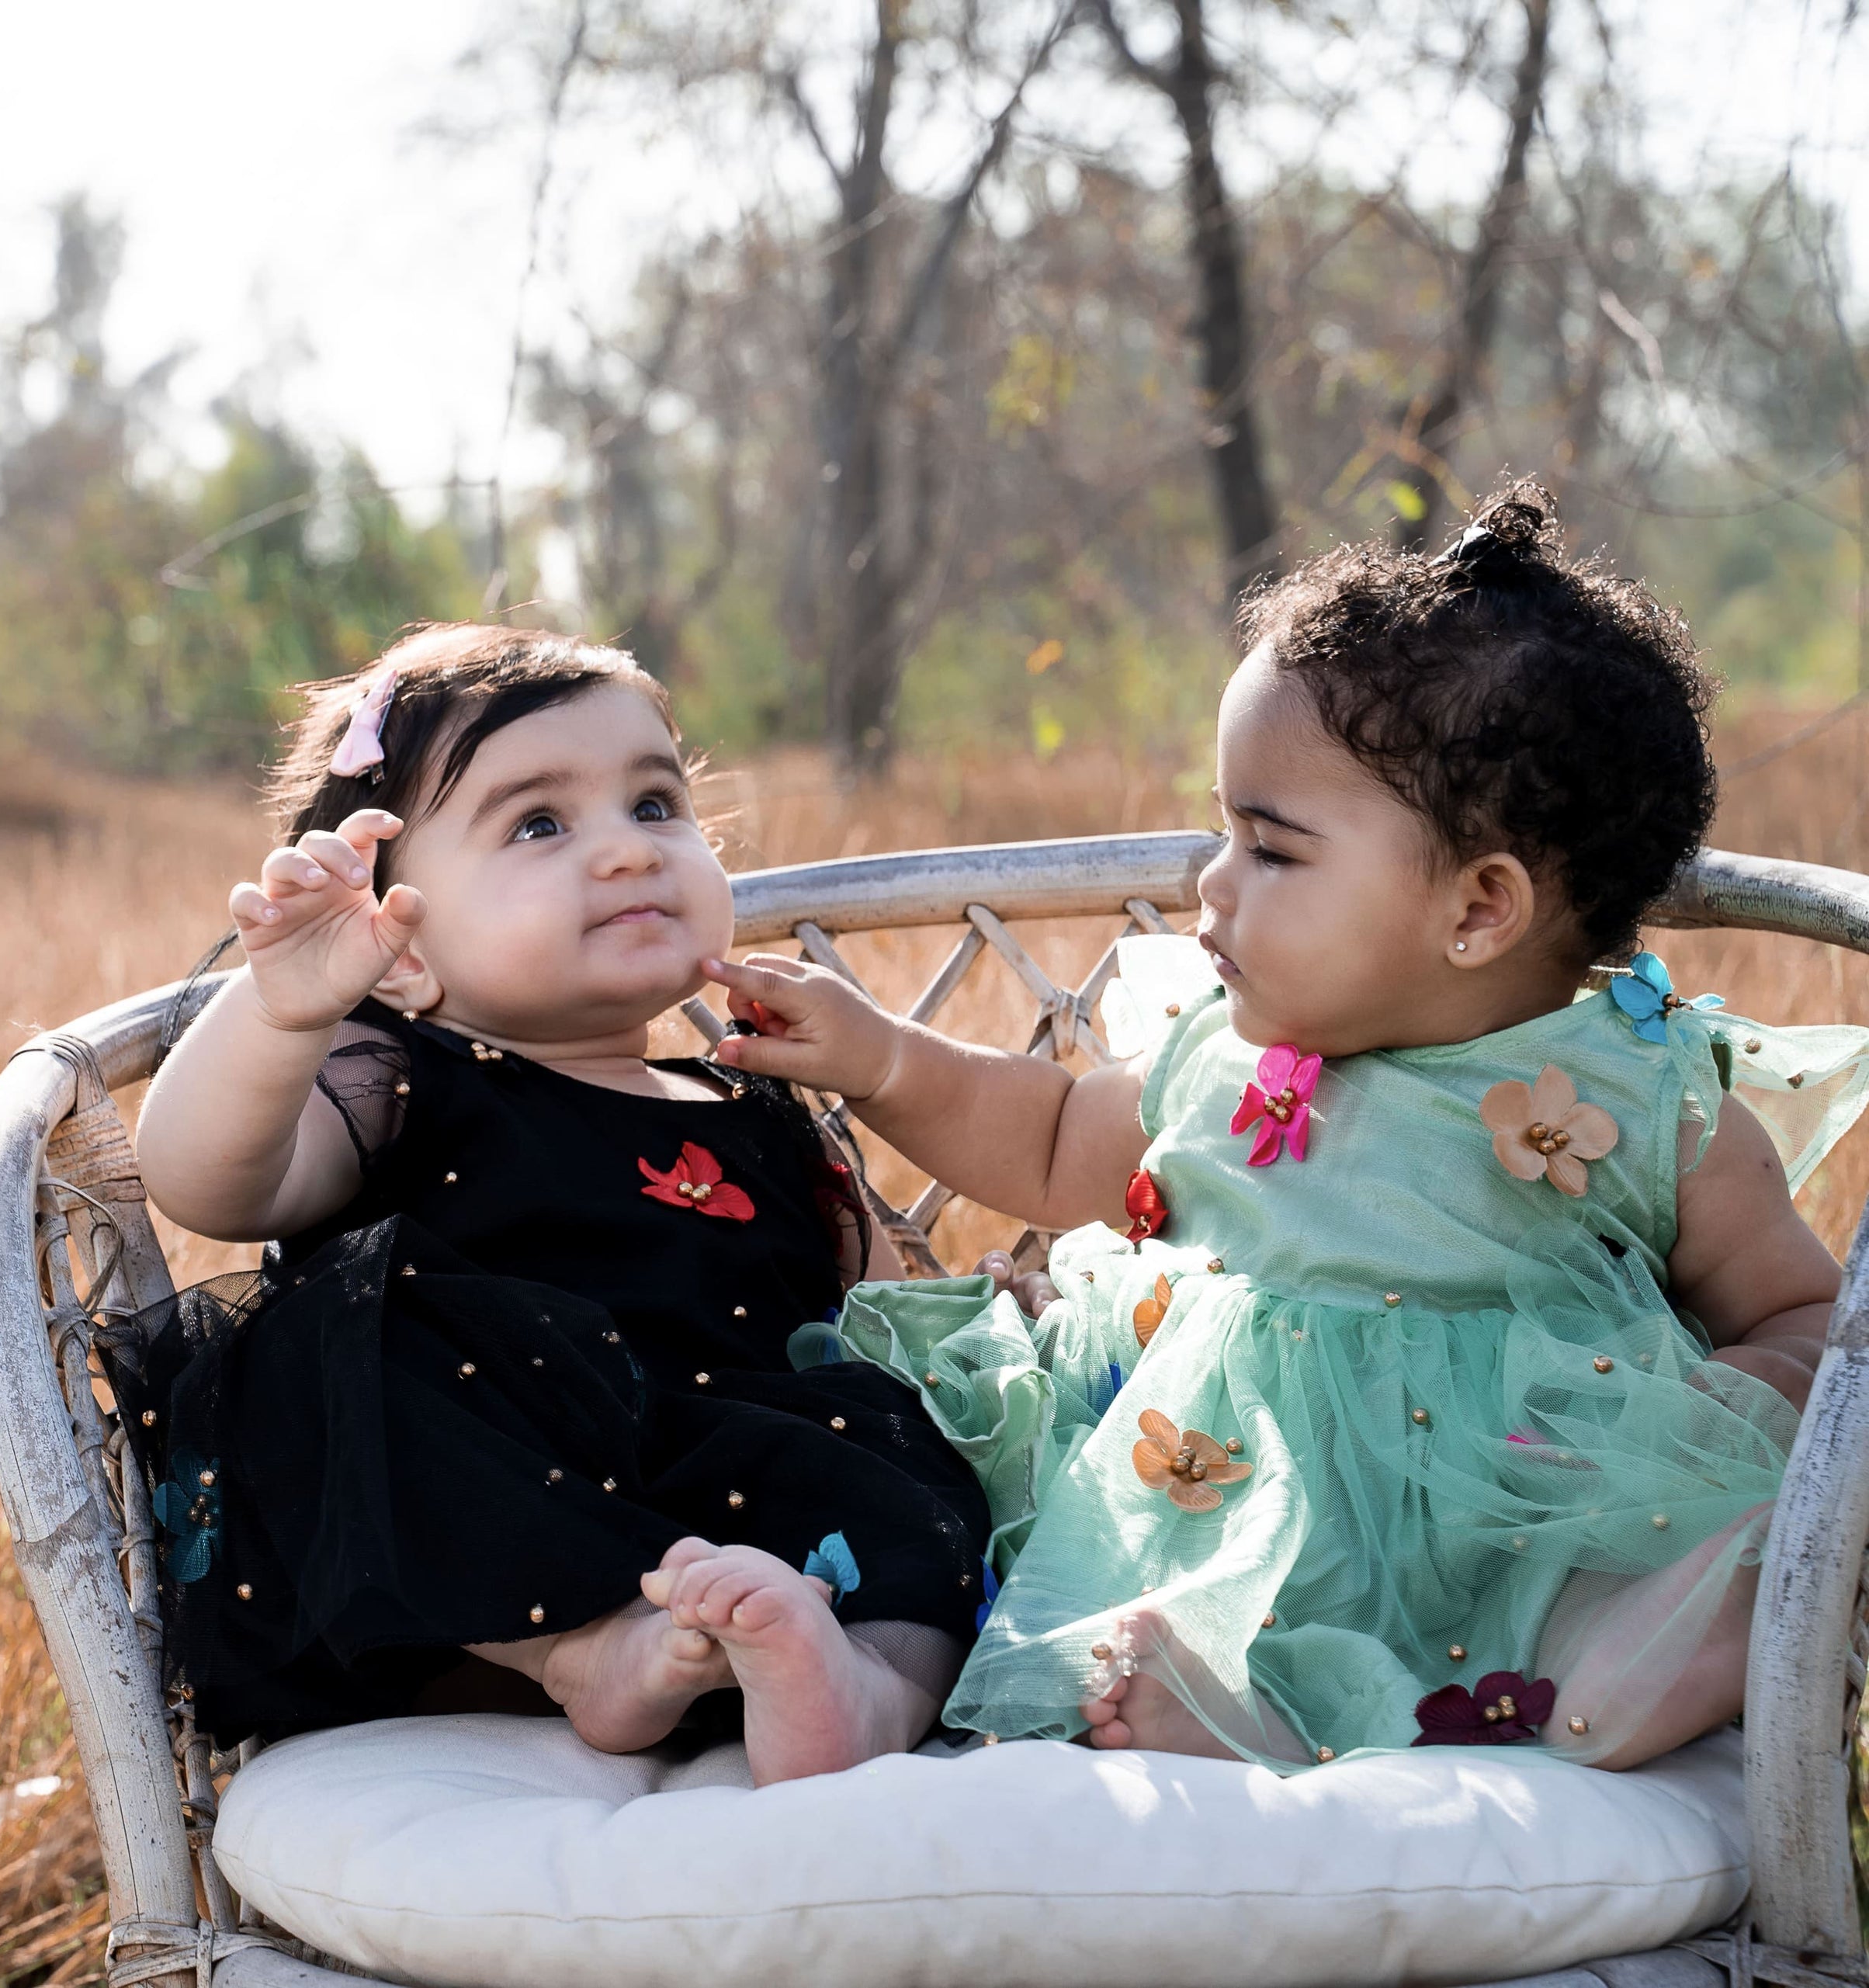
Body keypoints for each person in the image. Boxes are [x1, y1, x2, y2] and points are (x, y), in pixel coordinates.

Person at [706, 485, 1869, 1771]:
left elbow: (1802, 1312)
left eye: (1270, 848)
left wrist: (1719, 1402)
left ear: (1480, 908)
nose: (1211, 884)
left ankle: (1642, 1654)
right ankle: (1246, 1709)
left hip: (1514, 1513)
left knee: (1648, 1559)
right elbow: (1043, 1139)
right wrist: (882, 1055)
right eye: (1226, 831)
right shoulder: (1227, 1049)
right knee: (1025, 1511)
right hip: (1214, 1493)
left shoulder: (1646, 1099)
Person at [117, 623, 995, 1784]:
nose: (630, 852)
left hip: (747, 1498)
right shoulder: (396, 1081)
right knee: (318, 1348)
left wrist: (979, 1344)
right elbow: (204, 1180)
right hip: (476, 1544)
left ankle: (860, 1684)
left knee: (908, 1461)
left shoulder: (754, 1097)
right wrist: (285, 1009)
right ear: (400, 948)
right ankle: (579, 1648)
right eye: (540, 822)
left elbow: (879, 1313)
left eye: (655, 804)